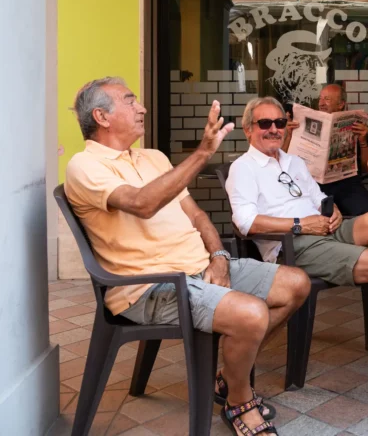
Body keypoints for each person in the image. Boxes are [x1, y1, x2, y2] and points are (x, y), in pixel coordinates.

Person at [64, 77, 308, 436]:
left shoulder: (154, 158)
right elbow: (142, 204)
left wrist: (219, 256)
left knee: (295, 284)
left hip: (200, 267)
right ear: (101, 116)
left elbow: (196, 215)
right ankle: (240, 401)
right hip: (150, 286)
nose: (142, 108)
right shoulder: (84, 166)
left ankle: (228, 375)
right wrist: (202, 153)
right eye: (131, 102)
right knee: (251, 314)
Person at [226, 96, 368, 383]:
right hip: (293, 245)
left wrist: (332, 209)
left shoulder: (293, 161)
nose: (274, 129)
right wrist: (300, 225)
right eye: (265, 123)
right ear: (248, 129)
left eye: (280, 123)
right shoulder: (243, 168)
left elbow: (319, 197)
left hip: (324, 229)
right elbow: (245, 223)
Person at [284, 83, 368, 216]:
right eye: (320, 99)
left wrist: (362, 140)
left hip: (347, 184)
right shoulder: (301, 124)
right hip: (312, 184)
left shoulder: (355, 127)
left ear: (341, 104)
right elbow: (282, 162)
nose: (321, 103)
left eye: (327, 99)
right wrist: (288, 136)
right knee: (301, 212)